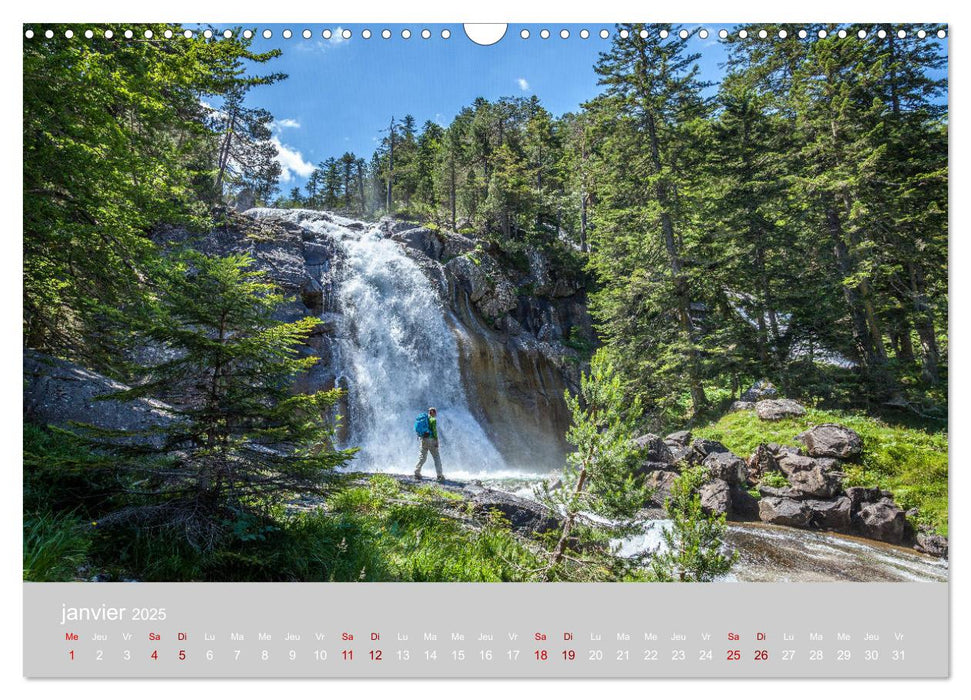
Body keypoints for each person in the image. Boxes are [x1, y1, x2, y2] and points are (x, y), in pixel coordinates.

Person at [414, 407, 445, 482]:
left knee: (422, 456)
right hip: (431, 440)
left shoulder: (425, 419)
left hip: (423, 439)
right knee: (436, 457)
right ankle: (440, 475)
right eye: (435, 412)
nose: (436, 414)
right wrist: (437, 441)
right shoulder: (433, 420)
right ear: (433, 412)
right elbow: (434, 431)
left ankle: (417, 471)